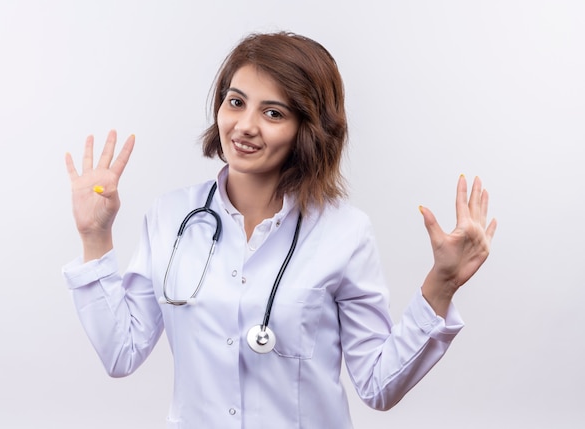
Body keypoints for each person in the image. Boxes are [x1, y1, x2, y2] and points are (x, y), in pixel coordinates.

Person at [63, 31, 497, 428]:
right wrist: (94, 237)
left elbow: (378, 386)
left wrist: (440, 286)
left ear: (308, 130)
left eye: (272, 112)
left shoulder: (344, 233)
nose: (245, 125)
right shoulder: (171, 217)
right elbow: (121, 353)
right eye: (236, 102)